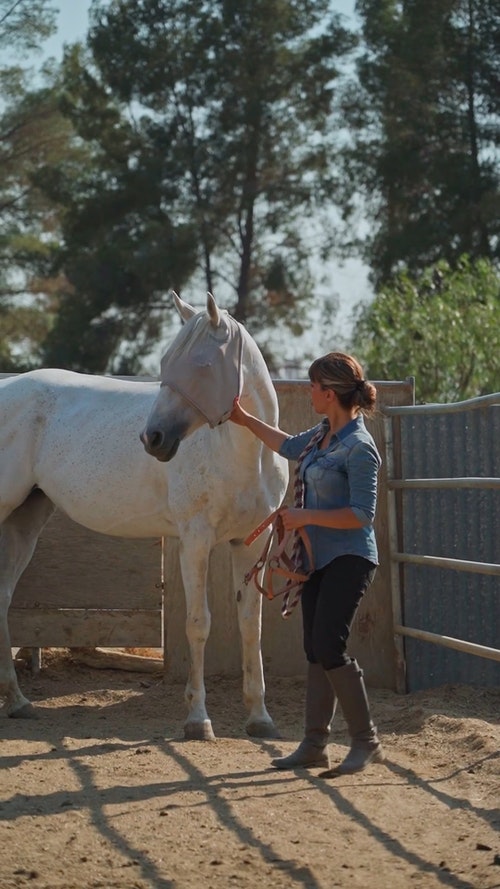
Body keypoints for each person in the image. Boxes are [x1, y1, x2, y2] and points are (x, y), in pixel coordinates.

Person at [230, 351, 384, 776]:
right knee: (314, 648)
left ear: (329, 393)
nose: (309, 392)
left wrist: (304, 517)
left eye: (314, 386)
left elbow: (362, 514)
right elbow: (286, 445)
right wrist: (243, 419)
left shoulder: (359, 448)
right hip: (318, 558)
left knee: (330, 645)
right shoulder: (320, 436)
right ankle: (315, 743)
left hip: (350, 558)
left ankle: (365, 741)